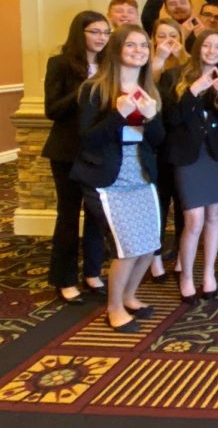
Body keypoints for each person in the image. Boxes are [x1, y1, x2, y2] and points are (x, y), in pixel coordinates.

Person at [70, 25, 165, 333]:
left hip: (141, 173)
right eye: (131, 46)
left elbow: (158, 140)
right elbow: (88, 140)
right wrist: (118, 114)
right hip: (108, 178)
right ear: (117, 50)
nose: (139, 51)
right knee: (127, 247)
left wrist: (151, 117)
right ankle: (113, 308)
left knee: (150, 244)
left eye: (143, 46)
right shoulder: (94, 89)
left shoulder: (149, 89)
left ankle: (129, 295)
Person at [161, 29, 218, 304]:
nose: (212, 51)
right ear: (197, 48)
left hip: (217, 156)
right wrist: (193, 90)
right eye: (207, 45)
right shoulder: (174, 76)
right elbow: (172, 118)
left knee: (215, 216)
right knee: (193, 220)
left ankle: (209, 274)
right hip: (189, 156)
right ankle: (187, 275)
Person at [44, 11, 110, 305]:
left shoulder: (111, 65)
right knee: (69, 215)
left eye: (105, 33)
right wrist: (83, 89)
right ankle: (65, 278)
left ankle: (93, 272)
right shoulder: (59, 64)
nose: (100, 38)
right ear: (79, 33)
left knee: (98, 215)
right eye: (94, 31)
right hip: (67, 151)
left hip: (99, 151)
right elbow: (52, 109)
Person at [148, 18, 189, 282]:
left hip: (183, 142)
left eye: (172, 35)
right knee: (159, 203)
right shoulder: (147, 64)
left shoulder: (188, 65)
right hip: (156, 143)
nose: (167, 40)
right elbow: (147, 95)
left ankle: (184, 256)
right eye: (161, 35)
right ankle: (155, 258)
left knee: (185, 203)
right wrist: (158, 61)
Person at [150, 18, 188, 83]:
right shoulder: (144, 60)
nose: (168, 40)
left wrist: (180, 57)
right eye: (162, 36)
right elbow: (150, 84)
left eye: (173, 36)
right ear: (154, 40)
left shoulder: (192, 59)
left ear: (180, 38)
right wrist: (159, 58)